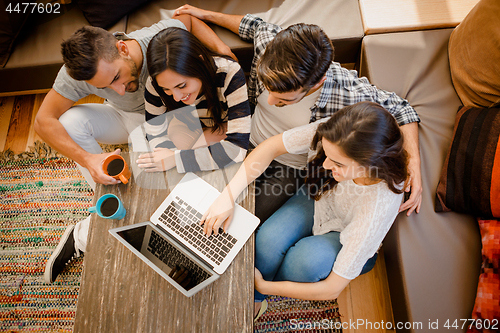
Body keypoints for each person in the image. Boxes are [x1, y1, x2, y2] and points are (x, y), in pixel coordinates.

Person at [173, 5, 422, 223]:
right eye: (269, 90)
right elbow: (252, 25)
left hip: (289, 167)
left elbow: (402, 108)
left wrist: (414, 163)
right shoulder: (271, 43)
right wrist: (202, 14)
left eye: (283, 100)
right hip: (245, 137)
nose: (269, 101)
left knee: (238, 221)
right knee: (194, 201)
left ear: (317, 82)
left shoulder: (347, 91)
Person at [38, 16, 236, 284]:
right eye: (104, 87)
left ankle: (86, 233)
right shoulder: (80, 70)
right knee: (70, 123)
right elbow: (43, 121)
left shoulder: (158, 38)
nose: (118, 89)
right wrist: (88, 159)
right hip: (127, 118)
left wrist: (221, 48)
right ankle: (109, 203)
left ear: (122, 48)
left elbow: (188, 19)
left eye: (117, 77)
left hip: (172, 121)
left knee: (176, 190)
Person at [199, 101, 408, 319]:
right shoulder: (341, 132)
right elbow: (271, 147)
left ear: (370, 164)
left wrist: (263, 286)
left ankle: (257, 296)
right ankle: (253, 295)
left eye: (337, 163)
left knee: (303, 263)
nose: (325, 165)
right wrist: (227, 197)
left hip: (346, 233)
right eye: (326, 155)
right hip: (321, 197)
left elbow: (332, 289)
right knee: (266, 241)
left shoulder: (377, 207)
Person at [136, 27, 251, 173]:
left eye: (182, 85)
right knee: (173, 164)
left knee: (192, 163)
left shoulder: (230, 74)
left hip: (223, 125)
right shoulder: (155, 83)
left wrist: (175, 158)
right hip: (188, 123)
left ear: (200, 63)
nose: (176, 97)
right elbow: (154, 131)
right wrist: (167, 154)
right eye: (167, 90)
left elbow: (237, 148)